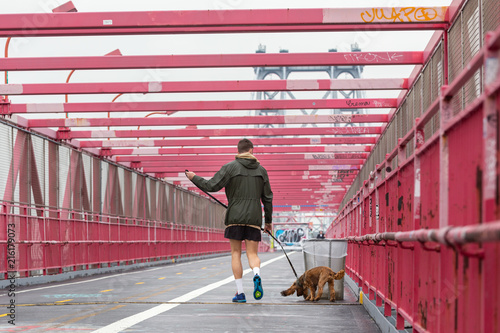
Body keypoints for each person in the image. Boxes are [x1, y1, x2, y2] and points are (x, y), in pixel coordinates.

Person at [185, 138, 273, 303]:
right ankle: (256, 274)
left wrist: (193, 177)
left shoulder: (230, 168)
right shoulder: (262, 171)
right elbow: (267, 198)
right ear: (252, 151)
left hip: (234, 217)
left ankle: (240, 293)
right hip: (254, 218)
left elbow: (211, 185)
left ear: (238, 151)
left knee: (235, 253)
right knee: (252, 254)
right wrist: (268, 222)